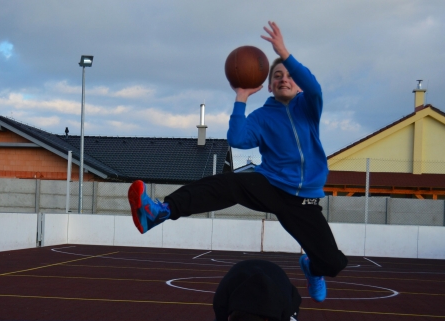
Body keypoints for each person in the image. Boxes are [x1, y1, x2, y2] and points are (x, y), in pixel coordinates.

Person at [127, 21, 348, 301]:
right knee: (229, 184)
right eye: (277, 75)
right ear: (268, 86)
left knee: (333, 263)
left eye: (289, 76)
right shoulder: (262, 117)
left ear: (298, 85)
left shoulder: (308, 106)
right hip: (271, 185)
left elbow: (314, 88)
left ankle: (311, 267)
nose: (283, 78)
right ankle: (161, 211)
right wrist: (241, 98)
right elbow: (238, 139)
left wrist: (283, 52)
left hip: (304, 202)